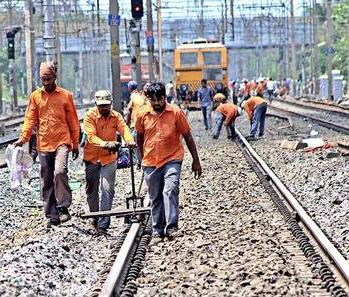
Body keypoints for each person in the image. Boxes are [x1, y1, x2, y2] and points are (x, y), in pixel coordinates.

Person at [14, 61, 80, 228]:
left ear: (55, 77)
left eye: (48, 79)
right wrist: (23, 138)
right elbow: (30, 120)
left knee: (60, 172)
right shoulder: (36, 96)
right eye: (43, 79)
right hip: (44, 144)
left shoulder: (66, 96)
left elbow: (73, 121)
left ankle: (63, 206)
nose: (46, 82)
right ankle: (52, 215)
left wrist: (75, 144)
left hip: (62, 142)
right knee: (46, 180)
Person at [135, 82, 202, 241]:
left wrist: (196, 161)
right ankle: (158, 229)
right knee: (155, 196)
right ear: (148, 99)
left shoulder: (176, 113)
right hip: (150, 161)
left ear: (165, 97)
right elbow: (139, 138)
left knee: (170, 189)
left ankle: (171, 227)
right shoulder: (142, 114)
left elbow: (188, 136)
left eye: (160, 99)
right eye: (154, 100)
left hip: (172, 158)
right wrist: (141, 158)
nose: (157, 103)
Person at [83, 90, 135, 234]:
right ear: (96, 105)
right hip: (92, 158)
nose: (104, 108)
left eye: (106, 105)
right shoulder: (89, 117)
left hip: (109, 159)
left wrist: (130, 141)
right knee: (91, 190)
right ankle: (95, 217)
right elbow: (91, 137)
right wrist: (106, 144)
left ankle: (103, 223)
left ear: (111, 104)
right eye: (101, 106)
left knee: (107, 189)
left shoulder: (116, 116)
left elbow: (124, 129)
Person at [127, 81, 149, 169]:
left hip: (136, 124)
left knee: (135, 143)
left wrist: (126, 123)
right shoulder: (141, 96)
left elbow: (129, 111)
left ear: (129, 89)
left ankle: (140, 162)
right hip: (145, 123)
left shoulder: (133, 97)